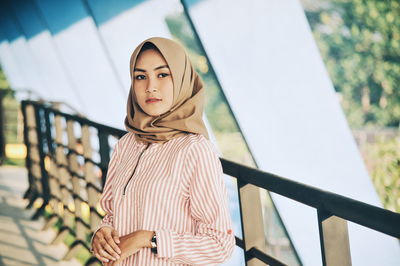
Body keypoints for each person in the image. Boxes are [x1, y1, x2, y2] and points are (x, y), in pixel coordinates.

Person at [91, 37, 235, 265]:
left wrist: (146, 238)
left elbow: (219, 244)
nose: (151, 87)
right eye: (140, 77)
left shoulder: (195, 150)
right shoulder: (127, 144)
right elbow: (112, 212)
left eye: (162, 74)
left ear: (181, 79)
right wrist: (104, 231)